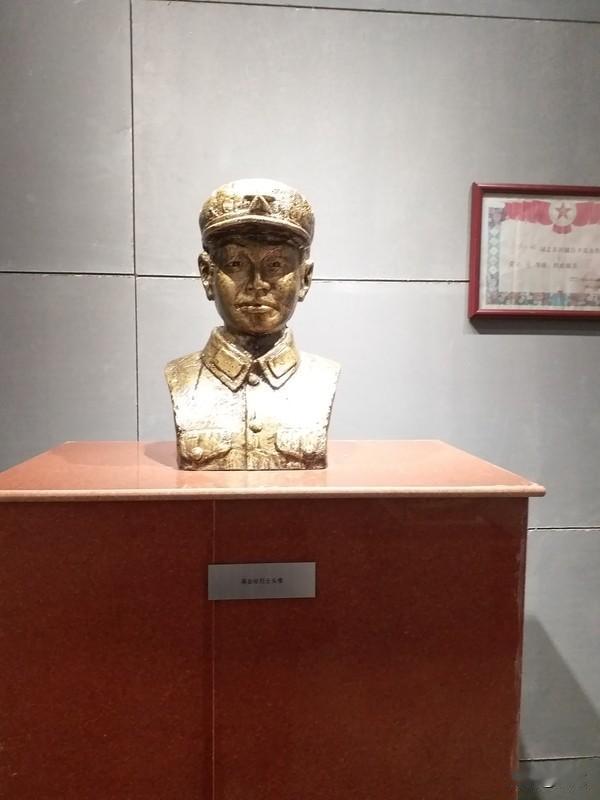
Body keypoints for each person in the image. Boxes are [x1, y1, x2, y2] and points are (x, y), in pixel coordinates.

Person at [165, 178, 340, 470]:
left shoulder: (322, 377)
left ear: (305, 279)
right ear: (207, 274)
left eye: (276, 265)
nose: (257, 284)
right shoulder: (181, 377)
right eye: (236, 264)